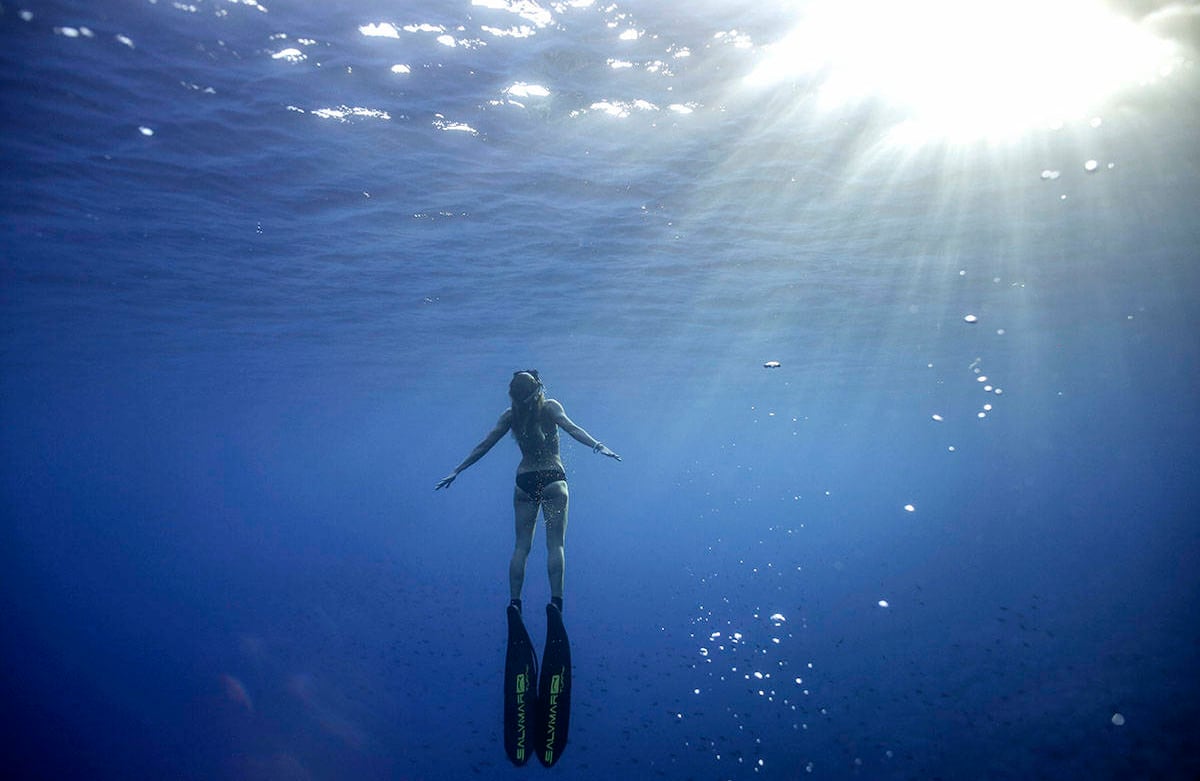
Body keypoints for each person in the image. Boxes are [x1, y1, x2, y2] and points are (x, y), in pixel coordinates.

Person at [436, 370, 620, 614]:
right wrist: (599, 446)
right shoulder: (550, 408)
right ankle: (556, 602)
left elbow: (485, 445)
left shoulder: (510, 416)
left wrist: (457, 470)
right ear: (539, 389)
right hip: (554, 479)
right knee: (556, 546)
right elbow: (571, 428)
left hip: (525, 481)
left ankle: (515, 603)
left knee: (521, 547)